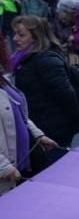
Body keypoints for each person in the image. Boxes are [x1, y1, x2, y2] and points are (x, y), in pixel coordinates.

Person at [11, 16, 79, 166]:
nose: (14, 38)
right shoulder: (22, 58)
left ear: (37, 36)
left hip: (53, 129)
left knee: (53, 171)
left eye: (21, 35)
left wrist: (75, 121)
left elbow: (66, 95)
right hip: (40, 126)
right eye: (15, 33)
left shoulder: (45, 60)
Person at [0, 41, 58, 192]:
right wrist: (3, 166)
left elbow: (19, 112)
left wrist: (37, 135)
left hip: (21, 163)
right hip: (7, 174)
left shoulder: (2, 79)